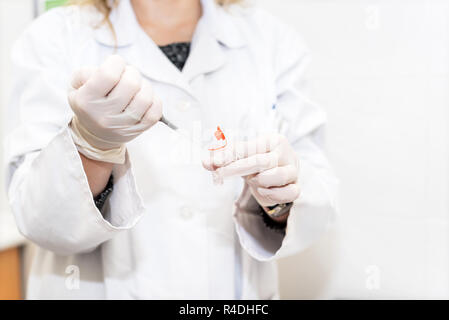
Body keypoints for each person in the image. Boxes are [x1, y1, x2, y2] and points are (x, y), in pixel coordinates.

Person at [4, 0, 338, 299]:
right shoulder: (54, 38)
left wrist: (278, 202)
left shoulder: (271, 41)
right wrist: (91, 145)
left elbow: (317, 201)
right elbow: (41, 220)